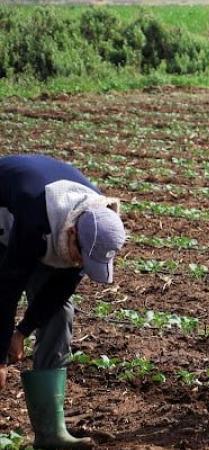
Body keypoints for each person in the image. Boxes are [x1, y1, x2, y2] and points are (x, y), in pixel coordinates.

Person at [0, 154, 127, 449]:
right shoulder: (36, 217)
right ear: (71, 233)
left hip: (44, 226)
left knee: (59, 314)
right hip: (8, 219)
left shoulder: (96, 224)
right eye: (81, 257)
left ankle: (50, 433)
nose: (80, 265)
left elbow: (59, 292)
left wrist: (21, 332)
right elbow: (7, 288)